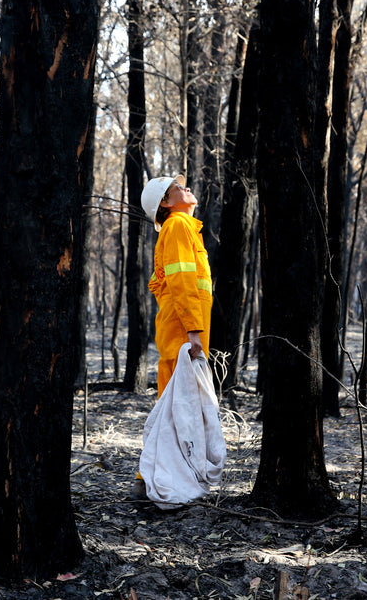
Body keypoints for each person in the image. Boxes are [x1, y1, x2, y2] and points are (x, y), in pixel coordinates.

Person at [133, 174, 213, 498]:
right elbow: (180, 283)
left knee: (176, 409)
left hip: (183, 331)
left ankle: (160, 481)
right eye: (178, 188)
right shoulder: (178, 226)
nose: (188, 187)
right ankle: (153, 483)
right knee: (173, 411)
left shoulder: (182, 230)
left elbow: (161, 281)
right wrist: (194, 332)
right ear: (166, 203)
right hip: (184, 333)